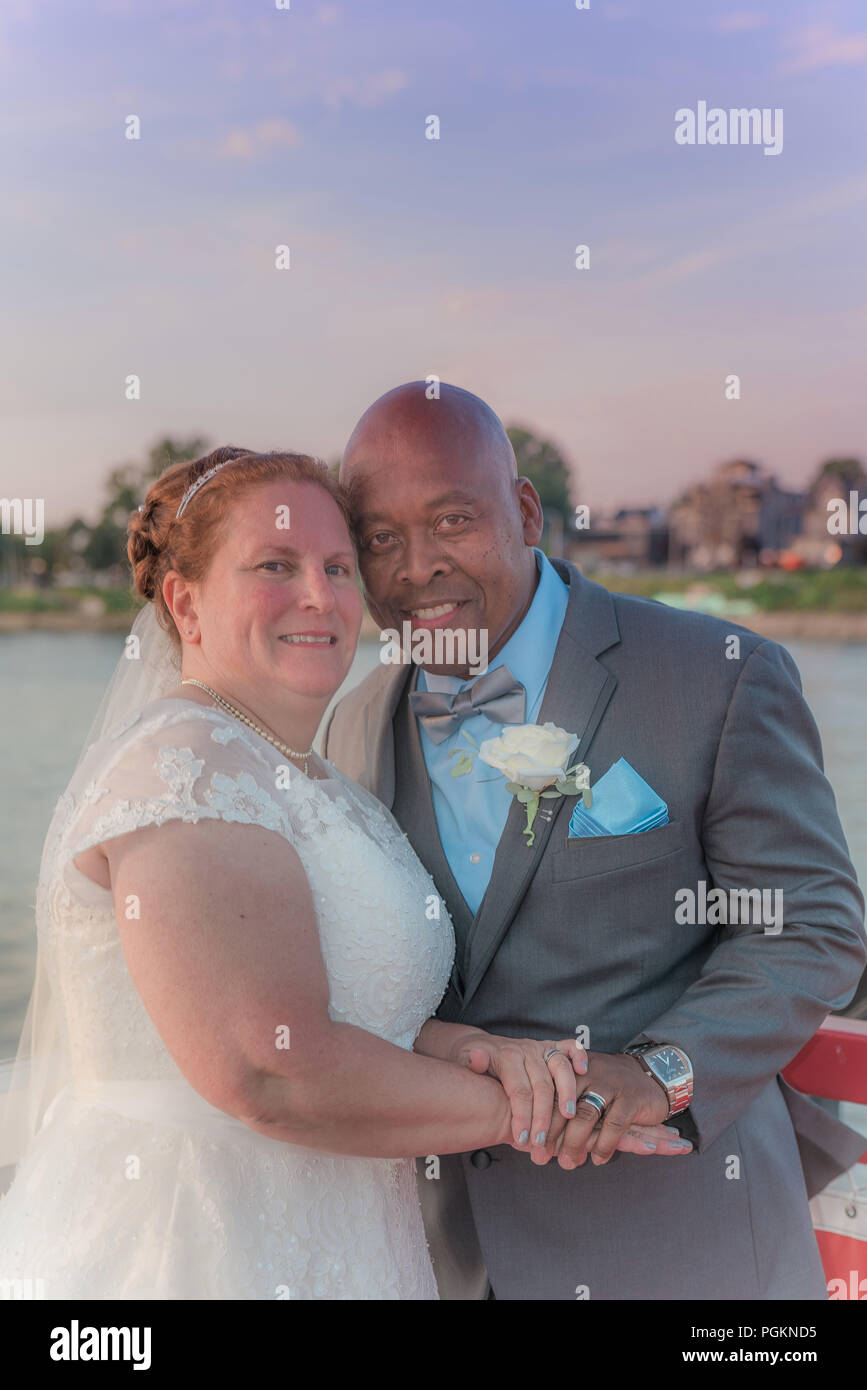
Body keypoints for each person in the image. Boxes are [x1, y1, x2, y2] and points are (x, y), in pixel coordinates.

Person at [0, 446, 685, 1301]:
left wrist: (482, 1052)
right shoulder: (184, 770)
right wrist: (545, 1111)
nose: (320, 596)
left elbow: (350, 1013)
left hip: (347, 1237)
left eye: (336, 566)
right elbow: (271, 1070)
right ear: (186, 602)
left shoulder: (318, 779)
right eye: (275, 567)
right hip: (193, 1245)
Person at [323, 381, 867, 1300]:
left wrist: (661, 1075)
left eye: (452, 520)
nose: (414, 567)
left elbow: (807, 921)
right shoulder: (351, 726)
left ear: (526, 511)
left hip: (681, 1250)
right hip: (441, 1259)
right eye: (378, 538)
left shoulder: (716, 677)